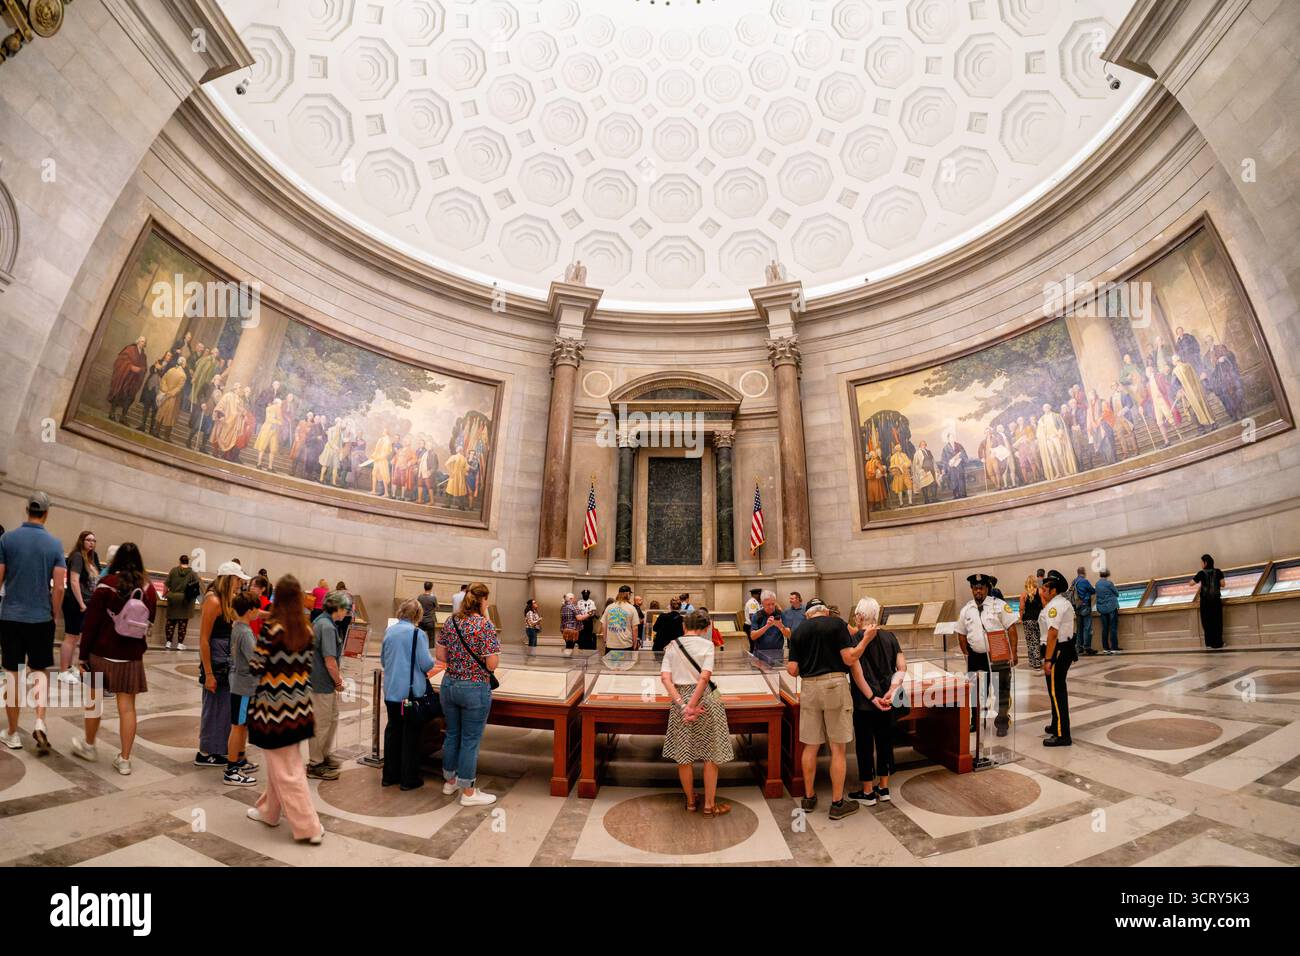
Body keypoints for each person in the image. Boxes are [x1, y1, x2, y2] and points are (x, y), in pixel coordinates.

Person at [246, 575, 324, 844]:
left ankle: (309, 826)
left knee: (287, 770)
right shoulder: (307, 629)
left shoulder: (273, 629)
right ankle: (269, 811)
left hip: (274, 709)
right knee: (282, 763)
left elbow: (256, 665)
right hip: (300, 706)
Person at [69, 542, 156, 775]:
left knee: (94, 702)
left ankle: (89, 746)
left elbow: (91, 624)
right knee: (127, 708)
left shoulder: (105, 585)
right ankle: (125, 759)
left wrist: (83, 656)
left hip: (101, 654)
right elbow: (150, 622)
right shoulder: (148, 589)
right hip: (130, 658)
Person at [787, 599, 875, 820]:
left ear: (808, 614)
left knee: (810, 746)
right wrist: (865, 640)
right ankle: (837, 803)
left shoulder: (798, 631)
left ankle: (808, 797)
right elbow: (849, 658)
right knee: (838, 748)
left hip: (809, 689)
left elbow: (792, 669)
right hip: (835, 684)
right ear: (825, 611)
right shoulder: (837, 624)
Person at [0, 492, 66, 754]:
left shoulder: (7, 539)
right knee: (40, 671)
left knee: (14, 676)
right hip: (41, 618)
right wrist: (54, 613)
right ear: (47, 513)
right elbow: (59, 587)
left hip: (11, 617)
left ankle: (13, 733)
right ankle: (40, 719)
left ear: (27, 509)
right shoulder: (54, 544)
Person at [660, 609, 735, 816]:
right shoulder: (707, 645)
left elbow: (665, 679)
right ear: (706, 628)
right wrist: (694, 705)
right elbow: (704, 678)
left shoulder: (672, 646)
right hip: (706, 699)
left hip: (680, 700)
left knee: (684, 754)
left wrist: (684, 706)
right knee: (710, 754)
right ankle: (710, 805)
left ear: (684, 626)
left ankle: (691, 801)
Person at [436, 582, 500, 806]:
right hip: (474, 687)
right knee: (470, 740)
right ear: (483, 601)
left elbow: (441, 656)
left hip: (449, 684)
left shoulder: (451, 621)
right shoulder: (484, 625)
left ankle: (450, 781)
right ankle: (469, 792)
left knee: (452, 734)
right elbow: (492, 665)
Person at [847, 597, 904, 806]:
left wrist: (872, 697)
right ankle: (884, 787)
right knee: (885, 742)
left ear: (860, 617)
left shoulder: (855, 641)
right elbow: (902, 667)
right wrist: (891, 690)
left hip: (864, 702)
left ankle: (868, 792)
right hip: (888, 700)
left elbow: (857, 672)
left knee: (864, 744)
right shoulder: (889, 636)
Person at [382, 600, 441, 790]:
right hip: (409, 696)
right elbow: (426, 664)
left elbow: (384, 660)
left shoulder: (389, 631)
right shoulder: (418, 634)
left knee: (393, 731)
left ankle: (389, 776)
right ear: (417, 615)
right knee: (411, 735)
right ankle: (409, 779)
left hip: (391, 691)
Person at [195, 561, 248, 768]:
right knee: (214, 705)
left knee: (224, 706)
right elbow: (203, 639)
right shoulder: (213, 600)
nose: (239, 584)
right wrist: (208, 673)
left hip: (225, 660)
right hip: (216, 661)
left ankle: (218, 749)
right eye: (237, 580)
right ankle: (206, 751)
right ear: (228, 579)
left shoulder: (226, 600)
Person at [953, 573, 1018, 738]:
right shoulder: (966, 609)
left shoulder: (999, 605)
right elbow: (961, 633)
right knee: (975, 691)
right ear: (971, 589)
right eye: (975, 588)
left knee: (1001, 689)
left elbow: (1011, 628)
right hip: (976, 656)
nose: (978, 591)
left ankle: (1002, 722)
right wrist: (967, 653)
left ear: (987, 588)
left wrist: (1014, 652)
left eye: (981, 588)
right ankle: (975, 721)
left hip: (998, 653)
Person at [307, 590, 348, 780]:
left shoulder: (322, 622)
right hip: (321, 683)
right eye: (345, 609)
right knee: (321, 724)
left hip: (321, 682)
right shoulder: (327, 627)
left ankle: (323, 755)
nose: (346, 613)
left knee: (331, 719)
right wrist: (338, 681)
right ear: (337, 608)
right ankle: (315, 763)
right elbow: (330, 660)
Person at [222, 592, 260, 786]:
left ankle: (240, 759)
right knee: (237, 727)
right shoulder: (245, 632)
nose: (258, 612)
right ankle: (231, 769)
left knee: (242, 724)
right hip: (244, 686)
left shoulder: (238, 626)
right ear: (250, 610)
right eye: (256, 609)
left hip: (239, 682)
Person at [1039, 570, 1076, 746]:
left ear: (1053, 591)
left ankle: (1063, 735)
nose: (1042, 590)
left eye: (1046, 588)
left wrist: (1048, 660)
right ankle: (1056, 724)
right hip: (1062, 649)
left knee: (1057, 692)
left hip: (1057, 651)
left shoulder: (1055, 606)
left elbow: (1052, 634)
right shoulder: (1058, 603)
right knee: (1054, 691)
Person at [59, 531, 101, 684]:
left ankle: (71, 667)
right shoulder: (77, 556)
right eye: (88, 540)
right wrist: (81, 603)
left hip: (88, 602)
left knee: (79, 637)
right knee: (71, 636)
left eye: (94, 540)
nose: (91, 542)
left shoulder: (93, 557)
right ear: (82, 541)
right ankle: (63, 670)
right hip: (75, 602)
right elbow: (74, 581)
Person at [163, 554, 199, 650]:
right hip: (185, 601)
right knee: (182, 624)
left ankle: (168, 642)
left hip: (173, 599)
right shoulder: (192, 573)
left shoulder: (173, 571)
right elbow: (197, 587)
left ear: (179, 561)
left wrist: (164, 594)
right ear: (188, 562)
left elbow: (166, 584)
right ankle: (180, 644)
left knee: (170, 622)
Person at [1195, 554, 1226, 649]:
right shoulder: (1218, 571)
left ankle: (1209, 642)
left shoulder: (1201, 573)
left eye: (1201, 562)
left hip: (1205, 601)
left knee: (1207, 621)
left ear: (1205, 563)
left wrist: (1201, 584)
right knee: (1217, 621)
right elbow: (1223, 584)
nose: (1201, 564)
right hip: (1216, 600)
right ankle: (1218, 642)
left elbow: (1190, 583)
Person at [749, 590, 790, 661]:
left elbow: (789, 635)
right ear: (762, 604)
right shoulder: (757, 616)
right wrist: (767, 626)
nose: (771, 607)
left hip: (778, 653)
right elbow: (753, 636)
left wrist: (780, 626)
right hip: (760, 654)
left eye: (773, 604)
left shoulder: (781, 614)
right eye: (768, 604)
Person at [600, 586, 638, 652]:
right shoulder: (631, 608)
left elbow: (603, 625)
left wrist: (605, 640)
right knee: (625, 662)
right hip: (626, 645)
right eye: (630, 594)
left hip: (611, 645)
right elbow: (635, 628)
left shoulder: (609, 607)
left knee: (611, 662)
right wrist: (635, 643)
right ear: (628, 594)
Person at [1020, 573, 1044, 672]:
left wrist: (1021, 619)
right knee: (1037, 640)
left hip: (1027, 620)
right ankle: (1037, 663)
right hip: (1037, 619)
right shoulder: (1040, 591)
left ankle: (1031, 661)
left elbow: (1021, 608)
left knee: (1030, 641)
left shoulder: (1023, 594)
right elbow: (1044, 605)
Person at [1095, 569, 1121, 655]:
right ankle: (1114, 647)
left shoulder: (1097, 584)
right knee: (1113, 627)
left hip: (1102, 608)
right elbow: (1117, 593)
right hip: (1111, 607)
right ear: (1107, 574)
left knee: (1105, 628)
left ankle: (1106, 648)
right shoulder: (1109, 583)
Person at [1071, 567, 1096, 655]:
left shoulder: (1074, 581)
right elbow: (1093, 590)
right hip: (1085, 606)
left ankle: (1079, 647)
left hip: (1077, 607)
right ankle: (1087, 647)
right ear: (1084, 572)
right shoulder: (1084, 581)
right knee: (1087, 627)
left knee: (1079, 628)